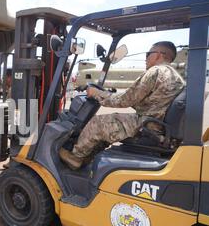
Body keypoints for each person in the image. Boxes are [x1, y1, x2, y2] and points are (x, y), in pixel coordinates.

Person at [60, 41, 185, 170]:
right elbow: (150, 103)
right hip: (159, 127)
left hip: (148, 126)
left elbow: (124, 100)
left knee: (99, 122)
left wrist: (96, 93)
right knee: (111, 126)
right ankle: (89, 156)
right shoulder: (176, 77)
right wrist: (107, 94)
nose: (145, 58)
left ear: (158, 55)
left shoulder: (156, 72)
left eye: (148, 54)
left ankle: (75, 157)